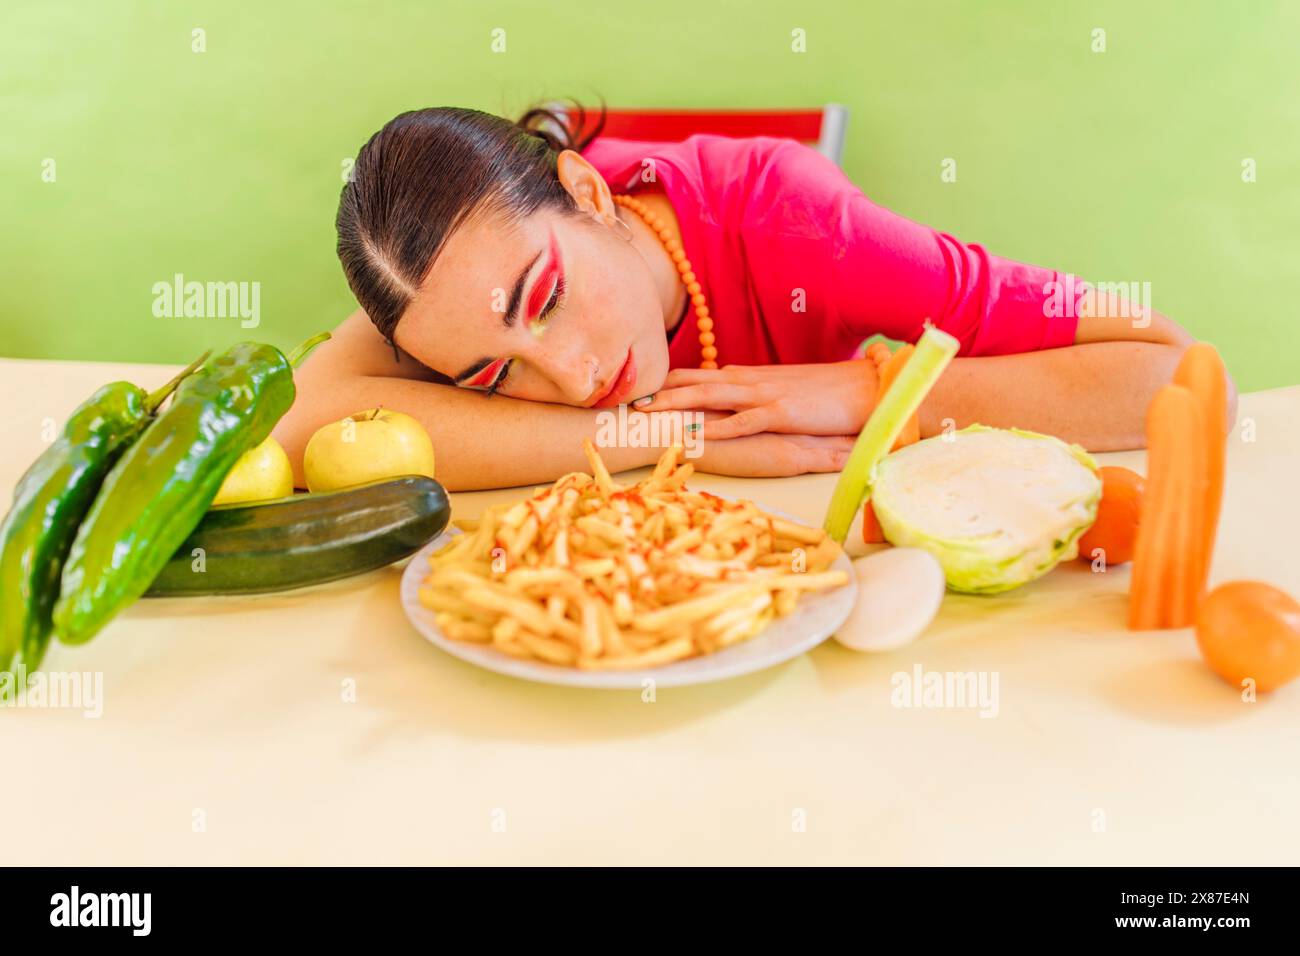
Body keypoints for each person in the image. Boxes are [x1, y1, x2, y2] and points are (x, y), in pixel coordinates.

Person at [275, 105, 1223, 491]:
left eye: (551, 297)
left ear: (590, 189)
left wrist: (859, 394)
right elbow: (299, 419)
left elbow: (1169, 370)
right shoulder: (452, 282)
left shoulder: (797, 218)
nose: (569, 376)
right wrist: (662, 434)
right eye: (492, 376)